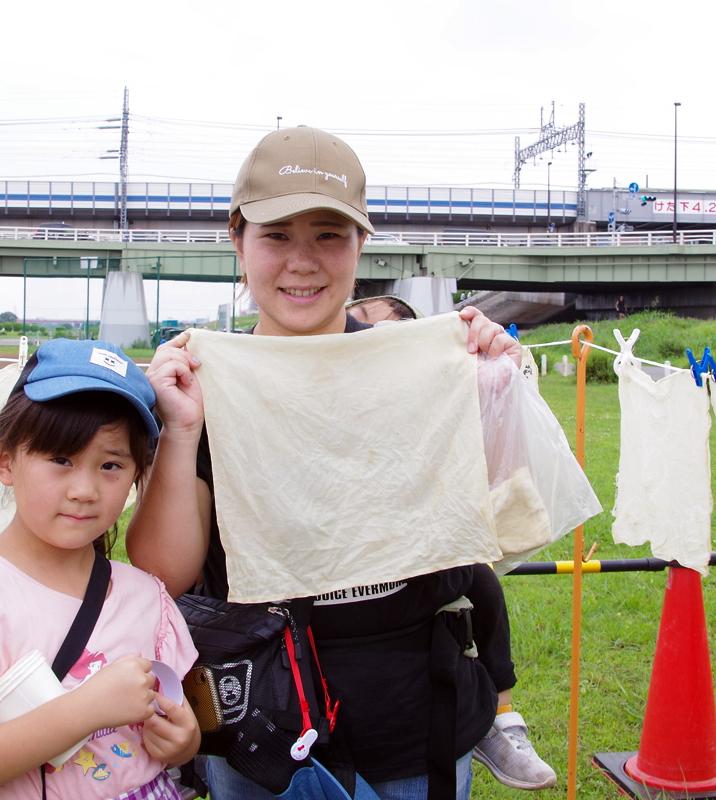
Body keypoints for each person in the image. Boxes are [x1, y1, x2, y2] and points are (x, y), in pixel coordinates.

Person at [128, 126, 533, 800]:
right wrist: (178, 429)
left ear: (360, 246)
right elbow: (163, 573)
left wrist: (495, 391)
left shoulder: (421, 368)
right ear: (237, 242)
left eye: (328, 235)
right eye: (277, 235)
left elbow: (502, 510)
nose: (303, 261)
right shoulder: (205, 383)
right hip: (260, 735)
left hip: (416, 728)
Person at [0, 338, 201, 800]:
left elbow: (172, 729)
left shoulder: (147, 598)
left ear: (139, 475)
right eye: (60, 459)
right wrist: (87, 709)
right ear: (3, 461)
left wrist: (183, 742)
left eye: (111, 465)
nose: (84, 489)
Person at [346, 296, 557, 791]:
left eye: (393, 333)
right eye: (364, 329)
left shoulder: (429, 392)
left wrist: (496, 378)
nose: (374, 339)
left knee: (481, 583)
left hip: (421, 571)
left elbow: (506, 496)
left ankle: (499, 716)